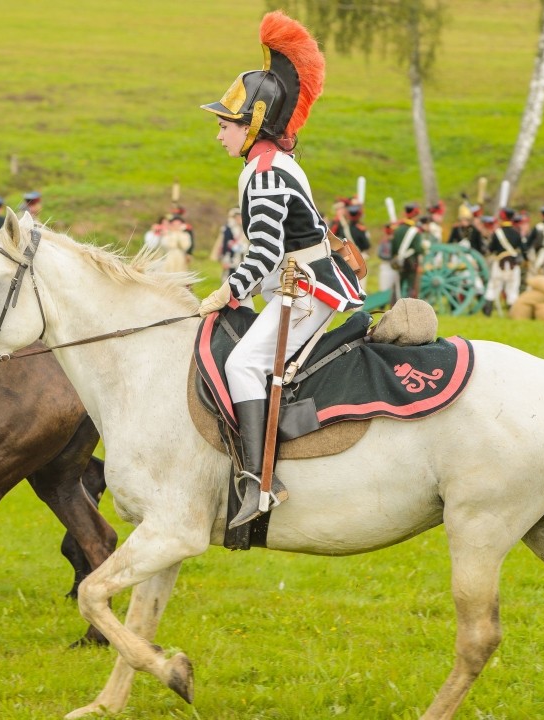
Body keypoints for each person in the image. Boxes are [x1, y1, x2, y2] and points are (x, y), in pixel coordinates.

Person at [198, 11, 363, 527]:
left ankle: (259, 482)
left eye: (224, 125)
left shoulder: (264, 173)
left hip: (309, 288)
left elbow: (266, 250)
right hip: (296, 280)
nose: (219, 135)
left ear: (251, 124)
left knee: (244, 365)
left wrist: (228, 291)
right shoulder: (265, 163)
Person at [483, 208, 525, 315]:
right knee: (513, 288)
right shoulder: (517, 233)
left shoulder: (497, 233)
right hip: (513, 265)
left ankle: (488, 312)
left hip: (499, 264)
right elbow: (522, 248)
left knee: (493, 287)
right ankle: (513, 312)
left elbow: (491, 249)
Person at [391, 202, 425, 298]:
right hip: (411, 262)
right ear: (415, 215)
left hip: (399, 262)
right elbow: (418, 249)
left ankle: (395, 304)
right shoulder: (415, 231)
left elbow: (393, 248)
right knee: (411, 286)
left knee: (398, 286)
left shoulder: (397, 229)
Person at [210, 207, 245, 279]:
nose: (239, 219)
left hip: (241, 257)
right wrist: (225, 260)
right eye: (237, 217)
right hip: (231, 257)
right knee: (228, 277)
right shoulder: (228, 229)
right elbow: (225, 245)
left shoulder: (243, 229)